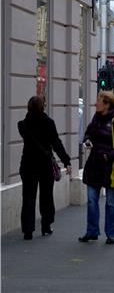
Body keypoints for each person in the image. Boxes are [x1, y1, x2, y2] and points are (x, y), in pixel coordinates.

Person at [79, 91, 114, 245]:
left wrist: (111, 155)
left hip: (110, 166)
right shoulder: (96, 118)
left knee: (111, 201)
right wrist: (87, 141)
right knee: (91, 199)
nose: (96, 103)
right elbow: (88, 134)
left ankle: (112, 233)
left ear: (107, 104)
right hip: (94, 165)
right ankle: (92, 231)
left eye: (99, 101)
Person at [17, 96, 72, 240]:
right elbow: (56, 143)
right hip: (44, 165)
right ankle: (46, 225)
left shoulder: (22, 125)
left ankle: (28, 230)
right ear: (43, 107)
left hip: (28, 164)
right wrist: (66, 161)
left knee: (28, 197)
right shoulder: (48, 123)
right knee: (46, 196)